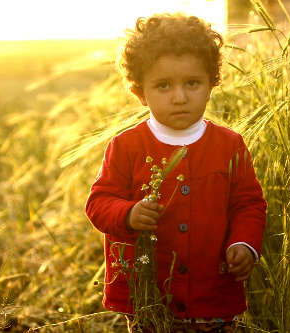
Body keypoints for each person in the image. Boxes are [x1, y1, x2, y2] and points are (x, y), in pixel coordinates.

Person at [85, 13, 267, 332]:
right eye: (163, 86)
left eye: (192, 83)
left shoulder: (230, 146)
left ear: (212, 83)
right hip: (148, 298)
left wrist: (244, 243)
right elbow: (98, 202)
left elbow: (248, 204)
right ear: (140, 92)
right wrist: (127, 214)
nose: (179, 97)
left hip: (213, 295)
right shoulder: (126, 146)